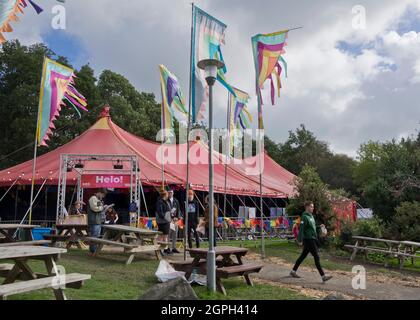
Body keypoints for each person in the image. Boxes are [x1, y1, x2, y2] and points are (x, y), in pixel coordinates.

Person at [290, 201, 332, 282]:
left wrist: (319, 226)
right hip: (308, 239)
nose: (313, 208)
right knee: (316, 257)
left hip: (312, 238)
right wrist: (299, 240)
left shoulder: (311, 216)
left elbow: (312, 227)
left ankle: (293, 271)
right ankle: (323, 276)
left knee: (303, 256)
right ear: (307, 207)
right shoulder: (304, 217)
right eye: (311, 207)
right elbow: (302, 229)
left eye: (313, 207)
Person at [87, 189, 107, 255]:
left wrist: (103, 207)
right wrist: (102, 207)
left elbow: (99, 208)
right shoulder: (93, 198)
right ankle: (93, 251)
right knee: (94, 236)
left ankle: (93, 251)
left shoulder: (98, 200)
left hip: (98, 220)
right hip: (94, 220)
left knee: (96, 236)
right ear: (100, 193)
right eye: (103, 195)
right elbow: (95, 208)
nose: (103, 196)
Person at [155, 189, 172, 255]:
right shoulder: (160, 202)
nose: (168, 195)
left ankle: (164, 249)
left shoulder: (165, 201)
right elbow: (160, 212)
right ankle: (160, 250)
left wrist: (170, 214)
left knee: (165, 236)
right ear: (165, 195)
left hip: (166, 221)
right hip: (163, 222)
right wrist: (166, 217)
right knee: (162, 237)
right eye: (167, 194)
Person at [167, 189, 181, 254]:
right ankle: (168, 248)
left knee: (175, 234)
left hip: (175, 220)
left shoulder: (176, 201)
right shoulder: (166, 200)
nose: (170, 194)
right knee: (169, 234)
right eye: (169, 193)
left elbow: (178, 210)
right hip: (169, 220)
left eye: (171, 192)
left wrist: (177, 217)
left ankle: (174, 247)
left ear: (173, 193)